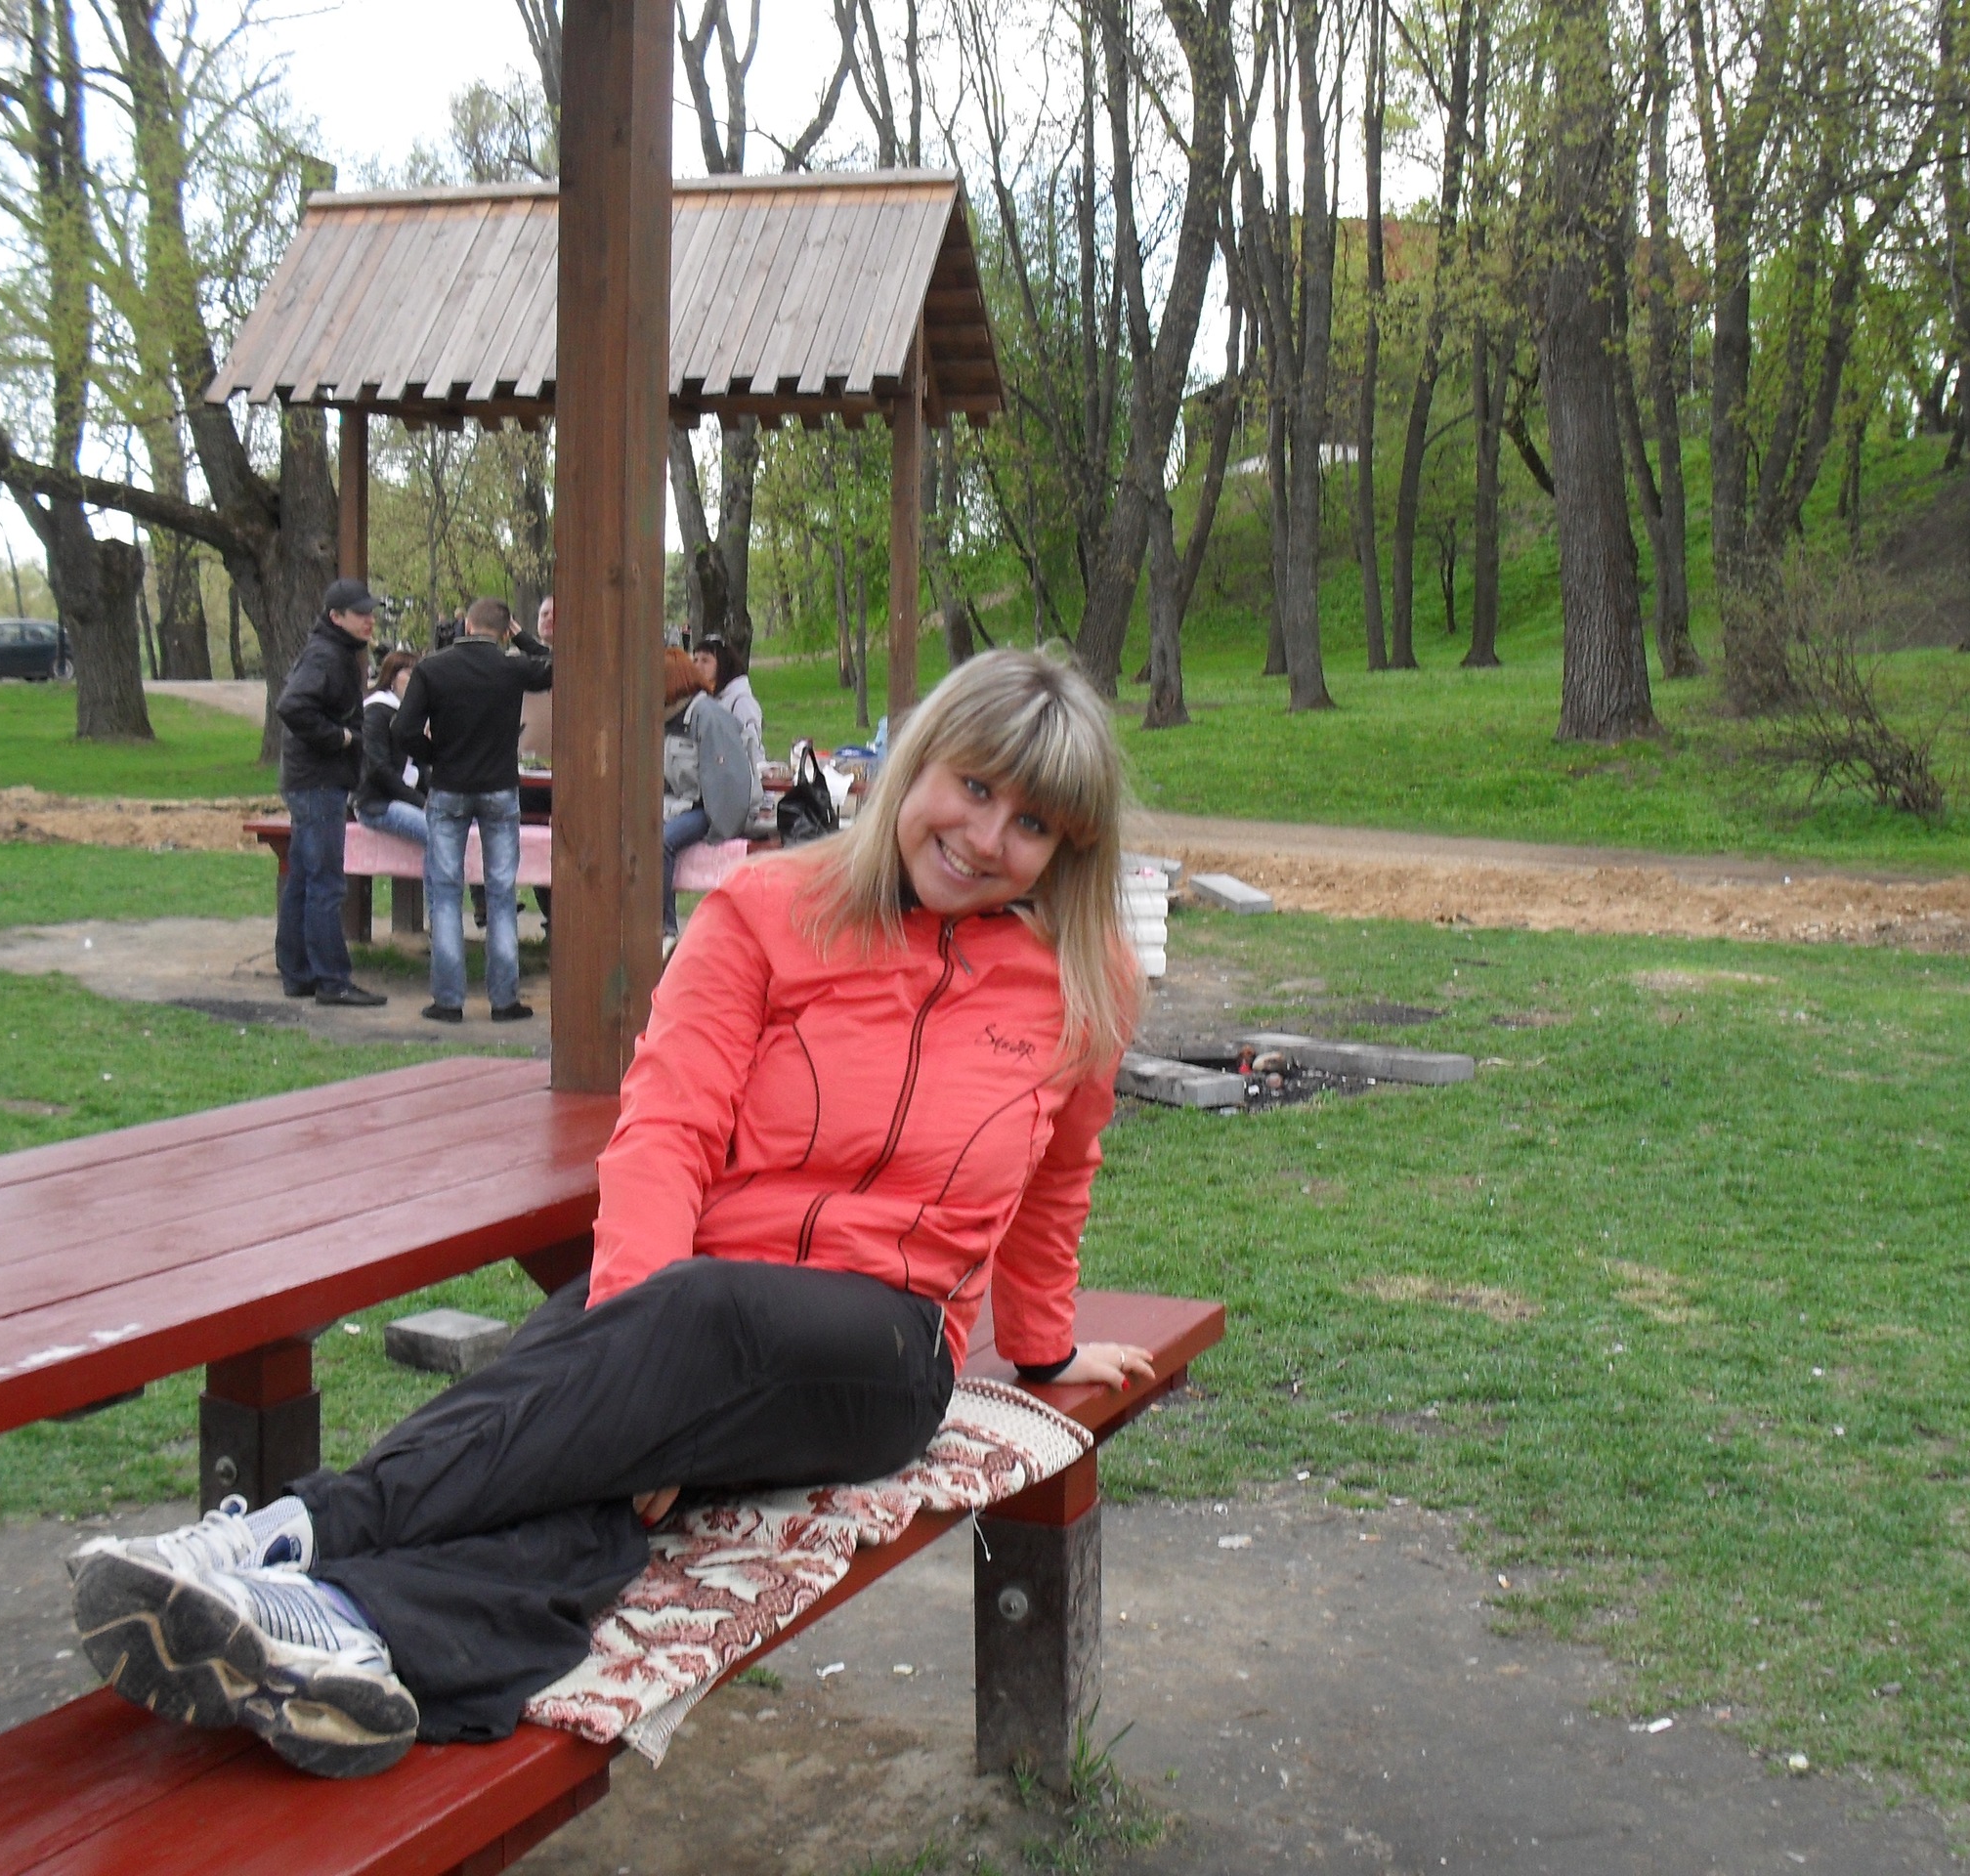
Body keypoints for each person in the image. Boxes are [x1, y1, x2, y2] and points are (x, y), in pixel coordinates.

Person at [66, 650, 1155, 1780]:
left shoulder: (1085, 980)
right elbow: (667, 1126)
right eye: (974, 787)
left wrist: (1044, 1348)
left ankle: (289, 1532)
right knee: (584, 1461)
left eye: (1031, 824)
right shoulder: (769, 908)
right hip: (685, 1297)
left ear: (1066, 850)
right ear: (919, 763)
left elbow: (1057, 1177)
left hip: (881, 1346)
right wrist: (639, 1370)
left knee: (662, 1349)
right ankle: (351, 1629)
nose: (986, 838)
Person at [393, 597, 552, 1024]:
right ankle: (504, 1000)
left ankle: (448, 1000)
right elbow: (557, 665)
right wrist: (522, 637)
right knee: (500, 892)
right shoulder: (511, 668)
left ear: (466, 624)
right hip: (499, 786)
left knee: (446, 892)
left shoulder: (433, 669)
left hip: (448, 786)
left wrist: (434, 755)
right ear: (503, 631)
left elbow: (403, 729)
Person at [272, 578, 389, 1007]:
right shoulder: (326, 654)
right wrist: (339, 738)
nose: (369, 620)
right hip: (318, 781)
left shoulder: (333, 651)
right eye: (360, 614)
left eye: (370, 613)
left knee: (304, 877)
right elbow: (291, 705)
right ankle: (332, 980)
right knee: (325, 882)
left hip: (312, 781)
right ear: (335, 617)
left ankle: (297, 973)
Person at [660, 644, 751, 938]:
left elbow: (728, 783)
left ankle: (664, 930)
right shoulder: (665, 719)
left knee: (660, 843)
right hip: (676, 803)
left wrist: (718, 829)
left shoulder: (709, 717)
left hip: (706, 809)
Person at [354, 650, 428, 845]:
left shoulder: (410, 714)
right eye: (410, 675)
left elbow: (420, 765)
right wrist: (420, 802)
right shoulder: (375, 712)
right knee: (438, 834)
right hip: (377, 804)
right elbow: (378, 768)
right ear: (392, 677)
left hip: (406, 798)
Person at [693, 631, 765, 774]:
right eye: (695, 660)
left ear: (722, 664)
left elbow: (751, 749)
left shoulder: (741, 702)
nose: (698, 666)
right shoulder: (702, 700)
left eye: (705, 660)